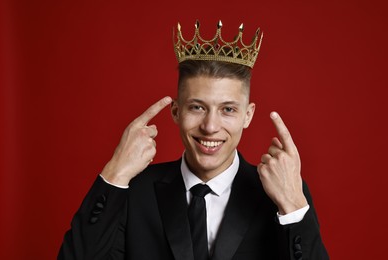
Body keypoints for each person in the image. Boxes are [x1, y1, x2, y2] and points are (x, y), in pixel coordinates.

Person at [58, 21, 329, 260]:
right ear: (176, 112)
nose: (210, 127)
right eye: (197, 107)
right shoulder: (135, 192)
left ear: (248, 116)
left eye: (228, 109)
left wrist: (294, 206)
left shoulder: (282, 192)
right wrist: (115, 173)